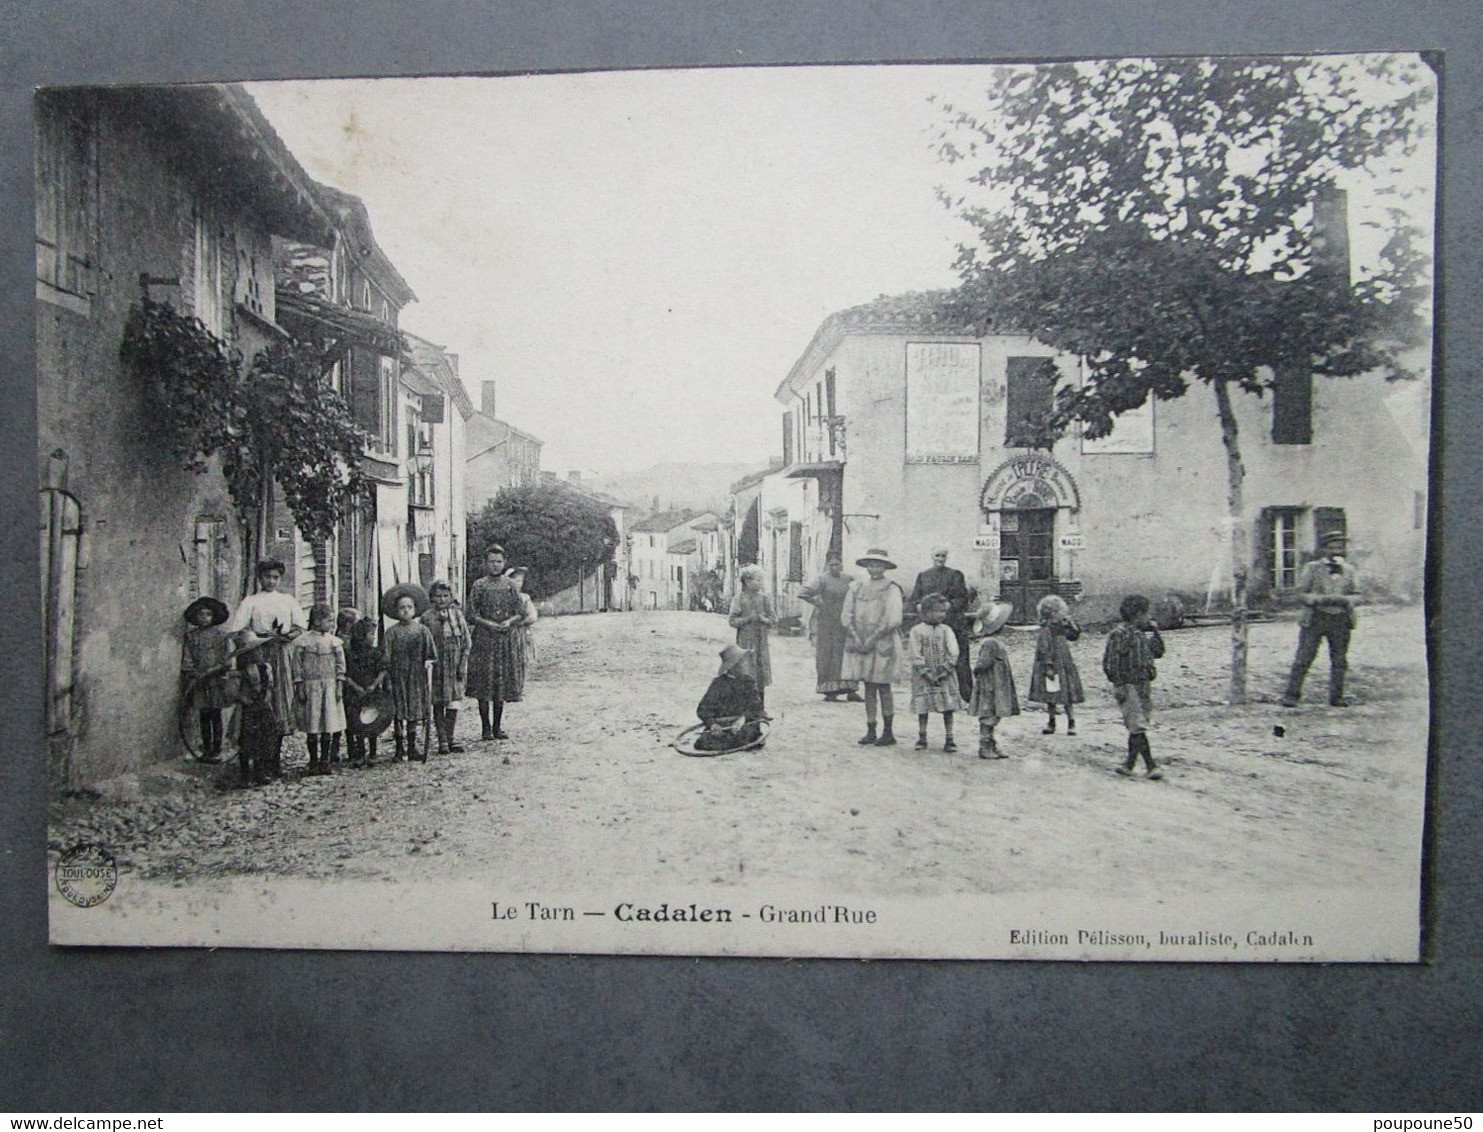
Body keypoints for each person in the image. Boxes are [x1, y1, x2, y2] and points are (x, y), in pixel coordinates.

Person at [223, 558, 305, 779]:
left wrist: (285, 636)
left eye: (275, 577)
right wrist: (253, 639)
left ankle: (274, 761)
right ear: (260, 578)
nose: (271, 581)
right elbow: (237, 630)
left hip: (281, 653)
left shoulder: (287, 600)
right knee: (260, 705)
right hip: (258, 653)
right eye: (267, 577)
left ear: (280, 579)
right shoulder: (251, 601)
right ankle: (258, 761)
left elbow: (299, 628)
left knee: (279, 705)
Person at [1280, 531, 1362, 707]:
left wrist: (1347, 601)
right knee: (1304, 657)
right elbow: (1301, 593)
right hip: (1315, 618)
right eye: (1331, 547)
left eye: (1339, 547)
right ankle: (1291, 695)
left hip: (1340, 619)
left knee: (1339, 659)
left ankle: (1336, 697)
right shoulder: (1312, 568)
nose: (1336, 551)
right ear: (1324, 549)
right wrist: (1317, 599)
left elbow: (1358, 595)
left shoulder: (1349, 569)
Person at [841, 548, 905, 746]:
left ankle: (888, 732)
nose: (874, 568)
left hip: (882, 641)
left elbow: (893, 618)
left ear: (885, 566)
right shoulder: (856, 587)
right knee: (868, 685)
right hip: (860, 640)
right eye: (871, 564)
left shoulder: (892, 588)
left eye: (878, 564)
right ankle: (870, 728)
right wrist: (855, 635)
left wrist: (874, 637)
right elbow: (847, 613)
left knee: (883, 685)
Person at [1103, 594, 1166, 780]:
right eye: (1146, 615)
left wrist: (1155, 633)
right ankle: (1151, 765)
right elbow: (1110, 663)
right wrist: (1119, 683)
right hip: (1127, 685)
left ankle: (1129, 764)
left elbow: (1159, 652)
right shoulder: (1119, 635)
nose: (1148, 618)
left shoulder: (1143, 634)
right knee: (1137, 725)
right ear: (1137, 615)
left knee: (1138, 725)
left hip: (1143, 686)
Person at [467, 544, 526, 741]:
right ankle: (485, 727)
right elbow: (471, 614)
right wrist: (488, 623)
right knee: (484, 684)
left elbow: (521, 612)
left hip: (503, 640)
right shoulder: (479, 585)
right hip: (484, 640)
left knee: (500, 683)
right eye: (492, 561)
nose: (495, 565)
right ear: (485, 563)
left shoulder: (510, 585)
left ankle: (498, 727)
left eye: (499, 562)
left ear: (504, 563)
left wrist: (509, 622)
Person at [908, 545, 974, 701]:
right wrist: (921, 607)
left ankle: (966, 696)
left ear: (946, 557)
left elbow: (961, 598)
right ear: (932, 557)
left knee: (959, 657)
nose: (940, 559)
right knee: (929, 658)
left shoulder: (955, 575)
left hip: (952, 622)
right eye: (937, 555)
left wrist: (944, 610)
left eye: (943, 556)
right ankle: (931, 696)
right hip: (929, 624)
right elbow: (915, 598)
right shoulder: (923, 576)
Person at [797, 553, 862, 703]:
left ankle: (851, 690)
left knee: (848, 654)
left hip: (845, 620)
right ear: (827, 566)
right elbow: (802, 593)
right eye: (831, 564)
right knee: (829, 654)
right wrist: (818, 603)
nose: (834, 567)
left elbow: (858, 596)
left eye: (837, 564)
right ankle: (830, 691)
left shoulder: (849, 580)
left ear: (842, 565)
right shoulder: (822, 579)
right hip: (827, 622)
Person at [291, 602, 347, 776]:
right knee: (313, 725)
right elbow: (297, 666)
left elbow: (340, 665)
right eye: (328, 621)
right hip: (311, 687)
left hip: (329, 688)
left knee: (328, 724)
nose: (332, 624)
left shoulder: (334, 642)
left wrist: (339, 684)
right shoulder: (303, 642)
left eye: (332, 620)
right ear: (316, 621)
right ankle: (313, 761)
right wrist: (299, 684)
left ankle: (325, 760)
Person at [421, 579, 472, 754]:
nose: (442, 600)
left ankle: (450, 739)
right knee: (438, 702)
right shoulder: (427, 618)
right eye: (438, 596)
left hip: (454, 666)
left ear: (451, 596)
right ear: (432, 598)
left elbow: (466, 642)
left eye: (446, 596)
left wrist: (462, 664)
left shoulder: (457, 615)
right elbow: (423, 643)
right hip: (437, 667)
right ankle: (442, 740)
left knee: (453, 703)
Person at [180, 596, 232, 764]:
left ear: (214, 617)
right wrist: (192, 672)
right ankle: (206, 749)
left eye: (208, 615)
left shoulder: (221, 636)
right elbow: (187, 658)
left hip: (216, 681)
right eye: (201, 615)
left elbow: (227, 660)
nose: (204, 618)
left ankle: (217, 749)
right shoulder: (191, 636)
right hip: (199, 682)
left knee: (215, 713)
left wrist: (212, 671)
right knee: (204, 714)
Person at [385, 593, 436, 763]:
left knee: (414, 710)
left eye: (409, 607)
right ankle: (399, 747)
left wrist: (428, 662)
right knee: (399, 710)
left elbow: (430, 653)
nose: (405, 611)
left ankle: (413, 746)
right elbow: (386, 657)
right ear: (396, 611)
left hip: (416, 676)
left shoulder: (422, 630)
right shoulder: (391, 632)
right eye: (402, 608)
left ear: (414, 610)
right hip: (398, 675)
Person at [908, 593, 963, 751]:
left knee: (948, 706)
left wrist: (946, 669)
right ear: (925, 612)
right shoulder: (917, 631)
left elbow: (954, 651)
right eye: (937, 611)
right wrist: (925, 672)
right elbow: (914, 653)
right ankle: (922, 736)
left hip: (944, 674)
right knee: (923, 706)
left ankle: (950, 738)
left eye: (943, 611)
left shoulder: (946, 630)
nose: (941, 615)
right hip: (924, 675)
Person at [1028, 594, 1086, 736]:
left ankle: (1071, 721)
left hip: (1064, 662)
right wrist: (1048, 665)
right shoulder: (1047, 628)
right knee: (1051, 692)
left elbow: (1074, 636)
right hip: (1053, 663)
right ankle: (1051, 720)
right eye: (1061, 611)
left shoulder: (1062, 625)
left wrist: (1072, 624)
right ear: (1053, 613)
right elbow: (1044, 647)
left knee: (1067, 691)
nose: (1064, 614)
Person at [968, 600, 1019, 759]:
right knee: (988, 714)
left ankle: (991, 744)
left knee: (994, 714)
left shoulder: (994, 642)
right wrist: (978, 672)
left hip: (997, 684)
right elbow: (983, 663)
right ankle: (984, 746)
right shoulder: (990, 643)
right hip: (991, 685)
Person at [692, 644, 767, 753]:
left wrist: (743, 718)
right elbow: (702, 709)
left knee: (749, 735)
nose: (746, 664)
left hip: (743, 725)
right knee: (702, 743)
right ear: (733, 665)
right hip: (723, 726)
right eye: (742, 662)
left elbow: (756, 706)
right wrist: (713, 724)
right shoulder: (718, 684)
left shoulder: (748, 682)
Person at [728, 564, 774, 708]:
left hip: (761, 643)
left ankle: (760, 709)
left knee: (760, 675)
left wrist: (763, 619)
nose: (761, 583)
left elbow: (774, 619)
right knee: (746, 674)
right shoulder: (739, 599)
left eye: (762, 580)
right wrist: (748, 619)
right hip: (745, 644)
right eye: (758, 580)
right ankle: (746, 709)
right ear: (747, 582)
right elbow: (732, 620)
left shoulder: (765, 599)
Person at [344, 618, 388, 765]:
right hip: (355, 692)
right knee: (357, 721)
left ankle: (373, 752)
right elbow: (346, 674)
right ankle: (360, 752)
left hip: (372, 691)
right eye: (371, 634)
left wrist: (374, 685)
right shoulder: (350, 654)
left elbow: (382, 670)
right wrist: (356, 687)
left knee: (372, 720)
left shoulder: (376, 653)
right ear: (361, 636)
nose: (373, 637)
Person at [506, 567, 540, 666]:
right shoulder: (503, 597)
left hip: (521, 633)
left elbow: (533, 616)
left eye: (520, 581)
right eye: (515, 581)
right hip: (506, 633)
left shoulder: (524, 598)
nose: (518, 583)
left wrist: (522, 622)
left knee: (520, 660)